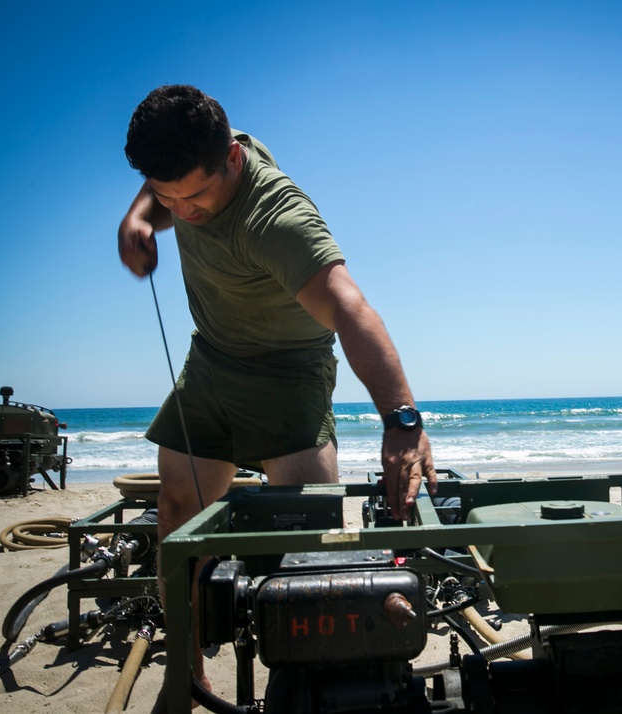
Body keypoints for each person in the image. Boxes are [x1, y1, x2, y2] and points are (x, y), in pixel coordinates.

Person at [118, 84, 437, 699]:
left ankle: (309, 681)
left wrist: (401, 423)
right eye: (169, 197)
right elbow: (165, 191)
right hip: (212, 358)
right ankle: (187, 668)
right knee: (179, 510)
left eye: (197, 195)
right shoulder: (194, 163)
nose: (185, 213)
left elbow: (350, 307)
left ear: (233, 160)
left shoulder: (278, 217)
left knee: (305, 527)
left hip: (292, 371)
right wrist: (138, 215)